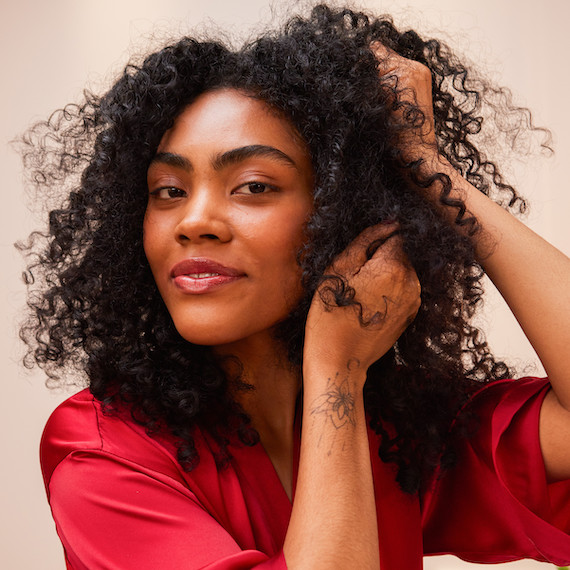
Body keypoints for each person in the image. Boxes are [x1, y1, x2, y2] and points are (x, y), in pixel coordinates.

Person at [18, 4, 570, 569]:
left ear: (346, 217)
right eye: (168, 190)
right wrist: (338, 372)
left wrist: (427, 167)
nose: (193, 221)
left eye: (253, 186)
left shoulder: (395, 431)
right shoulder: (101, 450)